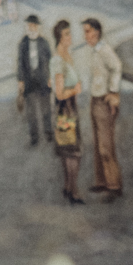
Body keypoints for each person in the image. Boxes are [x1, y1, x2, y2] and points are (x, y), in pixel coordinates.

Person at [78, 18, 122, 199]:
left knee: (105, 147)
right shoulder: (94, 51)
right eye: (85, 32)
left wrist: (113, 93)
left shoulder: (104, 50)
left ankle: (114, 186)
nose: (85, 35)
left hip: (104, 101)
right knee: (97, 145)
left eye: (87, 31)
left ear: (96, 32)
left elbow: (117, 67)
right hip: (95, 101)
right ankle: (102, 182)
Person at [49, 19, 84, 204]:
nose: (70, 37)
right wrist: (75, 90)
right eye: (67, 34)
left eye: (70, 33)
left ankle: (68, 186)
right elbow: (60, 93)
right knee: (73, 151)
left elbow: (52, 82)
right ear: (59, 38)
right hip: (65, 109)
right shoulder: (58, 60)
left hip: (70, 108)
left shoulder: (66, 55)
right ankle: (74, 190)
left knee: (68, 149)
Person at [16, 13, 52, 146]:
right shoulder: (23, 43)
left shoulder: (44, 43)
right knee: (31, 111)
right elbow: (20, 63)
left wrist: (50, 77)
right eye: (29, 25)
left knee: (46, 108)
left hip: (43, 79)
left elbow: (50, 61)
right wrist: (20, 81)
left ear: (38, 27)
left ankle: (48, 132)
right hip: (29, 81)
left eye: (34, 25)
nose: (32, 28)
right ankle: (34, 136)